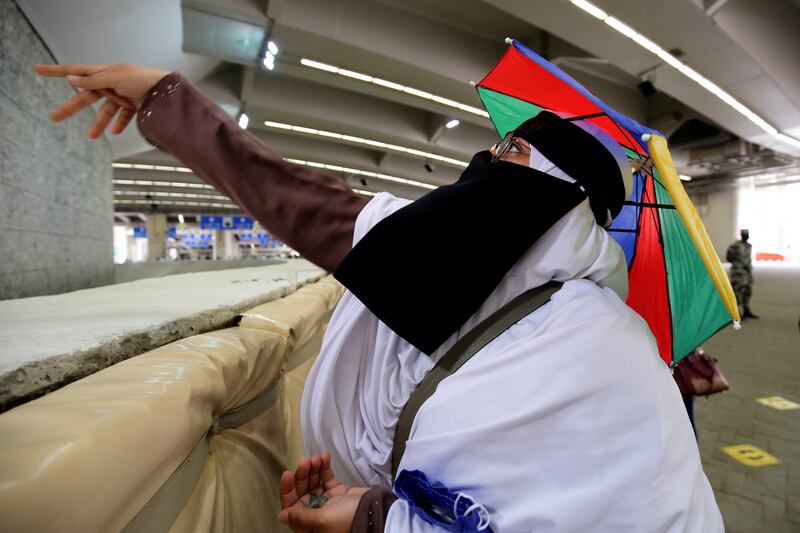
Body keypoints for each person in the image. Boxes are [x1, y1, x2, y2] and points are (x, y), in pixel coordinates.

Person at [36, 63, 723, 532]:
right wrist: (373, 511)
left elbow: (304, 203)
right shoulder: (581, 313)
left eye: (509, 150)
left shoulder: (559, 316)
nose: (484, 162)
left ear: (554, 193)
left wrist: (164, 95)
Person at [726, 229, 757, 319]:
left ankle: (746, 310)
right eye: (744, 234)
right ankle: (736, 312)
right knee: (737, 292)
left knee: (747, 291)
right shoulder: (735, 246)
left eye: (747, 235)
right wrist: (737, 264)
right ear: (741, 235)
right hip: (738, 272)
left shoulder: (749, 246)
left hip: (747, 272)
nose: (746, 236)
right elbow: (729, 257)